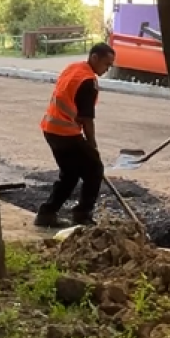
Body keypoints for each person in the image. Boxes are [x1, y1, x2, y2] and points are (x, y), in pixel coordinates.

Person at [35, 43, 116, 228]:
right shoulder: (88, 81)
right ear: (94, 58)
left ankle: (46, 214)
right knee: (95, 170)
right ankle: (82, 215)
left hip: (51, 128)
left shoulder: (74, 68)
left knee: (70, 175)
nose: (107, 68)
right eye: (106, 64)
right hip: (66, 134)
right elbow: (86, 119)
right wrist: (92, 146)